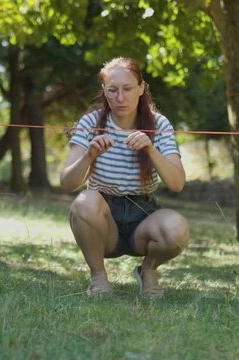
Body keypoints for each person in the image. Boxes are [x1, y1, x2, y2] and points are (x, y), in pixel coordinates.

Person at [60, 57, 189, 299]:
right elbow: (67, 184)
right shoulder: (91, 122)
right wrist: (89, 155)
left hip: (144, 214)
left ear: (141, 88)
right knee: (83, 202)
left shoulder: (159, 124)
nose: (120, 98)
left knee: (177, 228)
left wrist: (151, 150)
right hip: (103, 219)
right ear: (104, 91)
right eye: (113, 90)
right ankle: (98, 277)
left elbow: (177, 183)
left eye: (128, 89)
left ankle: (148, 271)